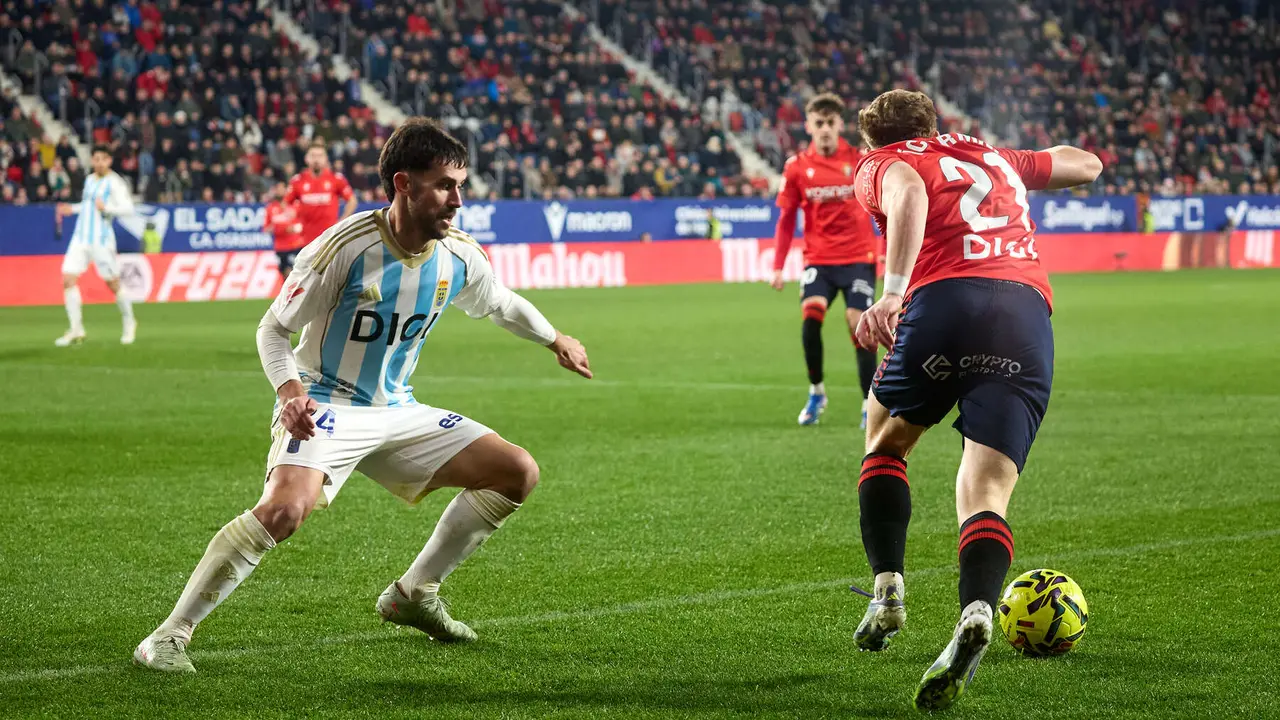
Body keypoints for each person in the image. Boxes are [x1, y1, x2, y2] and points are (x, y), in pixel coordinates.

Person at [133, 118, 593, 673]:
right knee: (284, 510)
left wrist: (554, 339)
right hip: (325, 404)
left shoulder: (459, 255)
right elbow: (272, 329)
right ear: (404, 183)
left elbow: (500, 302)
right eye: (446, 185)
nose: (458, 199)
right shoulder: (343, 249)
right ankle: (168, 635)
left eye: (461, 185)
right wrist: (290, 391)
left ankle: (414, 594)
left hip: (398, 410)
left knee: (516, 471)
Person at [847, 90, 1102, 711]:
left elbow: (907, 190)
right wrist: (1020, 164)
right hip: (1022, 310)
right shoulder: (991, 154)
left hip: (944, 301)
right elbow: (1087, 164)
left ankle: (887, 593)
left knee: (883, 438)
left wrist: (892, 292)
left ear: (872, 141)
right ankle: (981, 610)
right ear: (934, 124)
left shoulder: (880, 163)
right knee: (985, 488)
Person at [771, 93, 879, 427]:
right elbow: (787, 218)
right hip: (819, 259)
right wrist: (777, 265)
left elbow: (883, 205)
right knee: (810, 317)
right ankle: (817, 391)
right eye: (819, 123)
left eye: (831, 122)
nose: (826, 130)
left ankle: (868, 403)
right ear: (809, 126)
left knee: (857, 321)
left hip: (859, 257)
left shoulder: (861, 160)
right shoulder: (797, 167)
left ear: (840, 125)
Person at [53, 145, 137, 346]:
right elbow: (88, 206)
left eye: (103, 159)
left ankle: (129, 320)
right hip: (81, 238)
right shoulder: (90, 180)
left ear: (109, 161)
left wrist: (107, 208)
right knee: (67, 278)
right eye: (96, 159)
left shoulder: (115, 183)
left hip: (101, 240)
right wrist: (71, 209)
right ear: (92, 160)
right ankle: (76, 329)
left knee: (113, 284)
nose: (99, 163)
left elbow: (129, 209)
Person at [283, 141, 358, 276]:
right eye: (313, 155)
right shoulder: (298, 181)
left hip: (329, 239)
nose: (316, 159)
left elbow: (352, 201)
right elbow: (286, 204)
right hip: (306, 241)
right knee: (306, 278)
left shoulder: (336, 179)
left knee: (332, 278)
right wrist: (293, 220)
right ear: (307, 158)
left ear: (325, 159)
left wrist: (342, 221)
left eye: (320, 156)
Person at [262, 181, 305, 279]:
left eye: (282, 189)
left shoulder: (295, 205)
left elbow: (303, 224)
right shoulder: (270, 208)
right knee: (284, 275)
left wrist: (294, 228)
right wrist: (276, 228)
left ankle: (296, 293)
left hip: (295, 245)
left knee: (292, 272)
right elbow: (266, 229)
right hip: (280, 247)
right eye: (277, 189)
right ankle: (290, 293)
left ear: (286, 190)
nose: (279, 191)